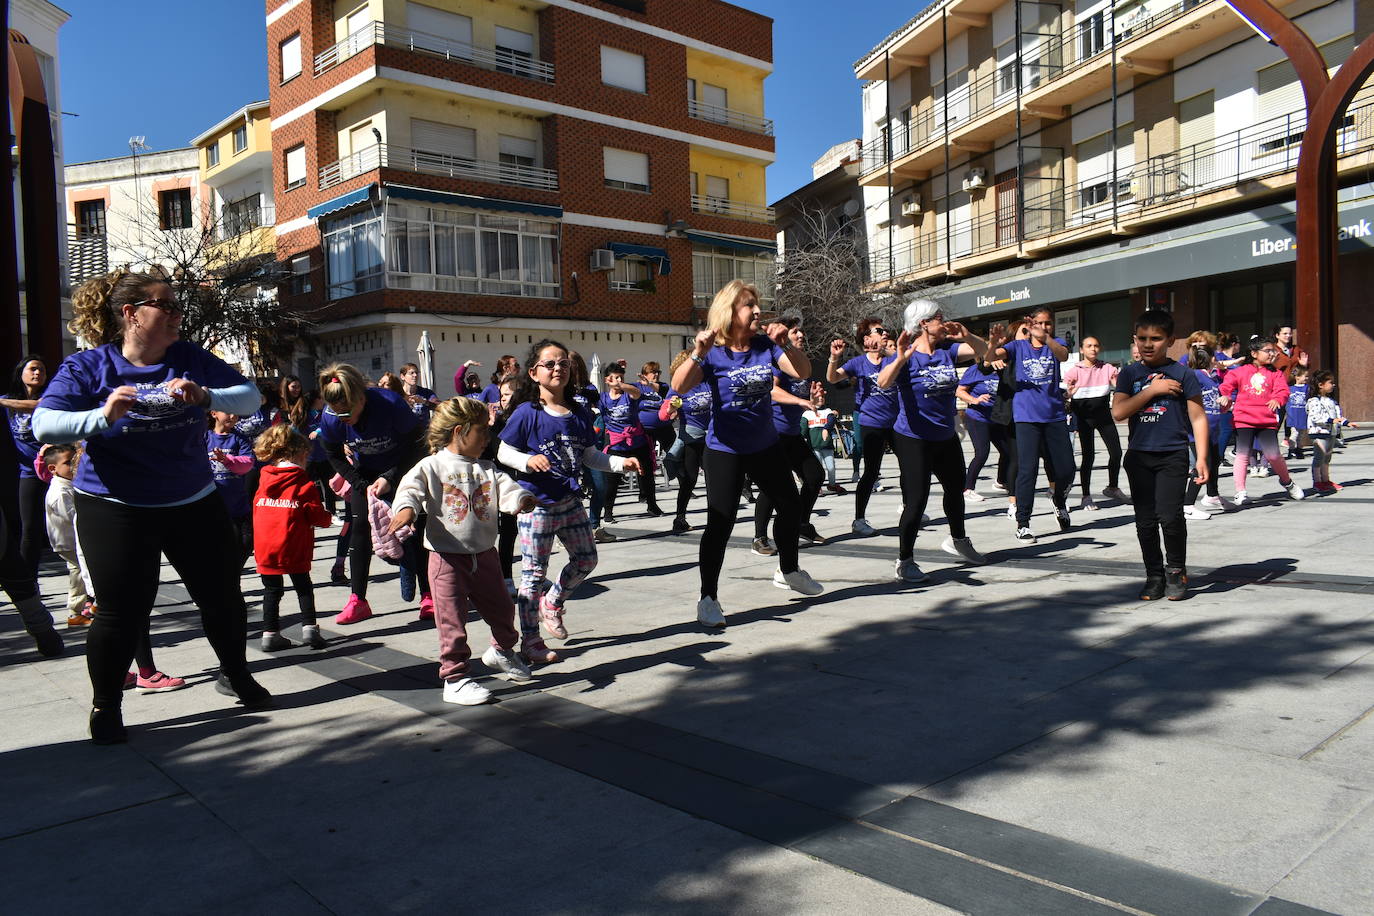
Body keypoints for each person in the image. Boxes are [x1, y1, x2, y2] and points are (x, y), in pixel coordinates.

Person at [34, 270, 270, 744]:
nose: (177, 314)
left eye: (178, 306)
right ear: (131, 314)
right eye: (167, 306)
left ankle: (236, 674)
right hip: (114, 503)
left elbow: (250, 396)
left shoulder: (188, 357)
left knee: (222, 596)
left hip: (191, 498)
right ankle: (107, 707)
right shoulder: (89, 367)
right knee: (120, 610)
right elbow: (45, 424)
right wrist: (100, 416)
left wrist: (206, 395)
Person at [670, 280, 823, 629]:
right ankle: (707, 597)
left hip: (765, 445)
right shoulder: (714, 352)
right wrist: (698, 353)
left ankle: (789, 570)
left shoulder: (765, 345)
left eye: (757, 305)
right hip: (724, 450)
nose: (757, 311)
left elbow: (801, 372)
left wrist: (785, 344)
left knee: (791, 504)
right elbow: (678, 387)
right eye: (748, 306)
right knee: (720, 524)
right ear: (729, 312)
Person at [497, 340, 640, 664]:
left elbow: (589, 455)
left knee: (586, 559)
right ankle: (530, 642)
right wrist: (528, 460)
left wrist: (620, 463)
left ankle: (554, 601)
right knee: (533, 576)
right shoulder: (527, 412)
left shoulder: (577, 412)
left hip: (570, 501)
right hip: (537, 505)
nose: (558, 368)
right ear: (534, 373)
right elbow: (504, 451)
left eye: (563, 363)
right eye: (550, 364)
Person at [391, 397, 535, 704]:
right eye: (481, 431)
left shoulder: (486, 468)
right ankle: (454, 679)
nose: (486, 438)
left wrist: (521, 500)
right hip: (446, 559)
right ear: (459, 431)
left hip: (485, 556)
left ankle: (501, 651)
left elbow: (507, 487)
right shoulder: (432, 466)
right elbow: (410, 489)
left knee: (504, 613)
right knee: (452, 622)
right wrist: (406, 509)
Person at [877, 298, 991, 579]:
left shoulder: (947, 351)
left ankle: (958, 540)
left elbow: (985, 350)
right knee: (916, 501)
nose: (944, 323)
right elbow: (882, 383)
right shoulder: (905, 354)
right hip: (913, 438)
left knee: (956, 491)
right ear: (923, 323)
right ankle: (905, 561)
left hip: (944, 435)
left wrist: (967, 335)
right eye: (939, 318)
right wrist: (901, 359)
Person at [317, 363, 429, 623]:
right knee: (358, 527)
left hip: (403, 465)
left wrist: (390, 477)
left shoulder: (389, 403)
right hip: (365, 471)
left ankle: (428, 596)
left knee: (416, 527)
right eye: (338, 415)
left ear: (361, 398)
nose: (344, 419)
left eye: (348, 414)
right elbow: (333, 454)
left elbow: (419, 445)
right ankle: (358, 600)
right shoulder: (331, 417)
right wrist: (359, 483)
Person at [1112, 310, 1209, 601]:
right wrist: (1152, 391)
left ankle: (1175, 571)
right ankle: (1153, 575)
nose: (1148, 344)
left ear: (1170, 340)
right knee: (1145, 521)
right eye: (1142, 338)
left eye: (1155, 338)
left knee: (1170, 517)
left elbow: (1198, 418)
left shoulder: (1183, 374)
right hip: (1139, 457)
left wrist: (1202, 457)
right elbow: (1118, 412)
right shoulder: (1130, 374)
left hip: (1172, 456)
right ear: (1135, 340)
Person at [988, 307, 1073, 542]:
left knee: (1067, 469)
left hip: (1054, 416)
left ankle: (1058, 499)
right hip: (1026, 417)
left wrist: (1046, 338)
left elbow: (1064, 356)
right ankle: (1023, 523)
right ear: (1030, 324)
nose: (1044, 327)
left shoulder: (1054, 344)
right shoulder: (1018, 346)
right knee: (1028, 470)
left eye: (1048, 323)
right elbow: (993, 356)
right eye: (1039, 323)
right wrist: (993, 344)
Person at [252, 424, 335, 652]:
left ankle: (270, 633)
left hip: (265, 544)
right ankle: (309, 630)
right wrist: (328, 518)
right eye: (306, 455)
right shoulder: (302, 482)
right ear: (298, 453)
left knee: (271, 590)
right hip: (293, 543)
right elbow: (316, 515)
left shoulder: (264, 479)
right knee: (303, 587)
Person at [753, 316, 826, 555]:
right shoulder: (777, 362)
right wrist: (799, 400)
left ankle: (801, 523)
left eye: (801, 332)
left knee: (815, 476)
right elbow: (771, 389)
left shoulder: (800, 365)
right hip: (773, 434)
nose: (801, 335)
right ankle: (760, 538)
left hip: (793, 434)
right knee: (772, 486)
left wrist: (813, 401)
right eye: (795, 332)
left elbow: (805, 399)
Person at [826, 318, 898, 536]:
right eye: (879, 330)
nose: (884, 332)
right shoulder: (858, 363)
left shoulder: (892, 359)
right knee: (872, 472)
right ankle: (859, 519)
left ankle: (908, 508)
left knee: (910, 465)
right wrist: (834, 358)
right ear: (867, 338)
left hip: (896, 422)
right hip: (871, 423)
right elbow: (832, 378)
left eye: (885, 329)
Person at [1218, 337, 1304, 505]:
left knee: (1273, 455)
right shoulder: (1240, 371)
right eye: (1268, 351)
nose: (1272, 354)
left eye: (1273, 351)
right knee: (1242, 455)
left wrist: (1278, 399)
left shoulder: (1276, 373)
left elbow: (1283, 391)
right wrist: (1226, 396)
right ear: (1254, 353)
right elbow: (1227, 385)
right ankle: (1240, 491)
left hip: (1266, 420)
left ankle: (1287, 482)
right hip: (1243, 418)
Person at [1063, 337, 1129, 510]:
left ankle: (1112, 487)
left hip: (1104, 417)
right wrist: (1067, 395)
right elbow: (1064, 394)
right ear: (1082, 349)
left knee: (1116, 453)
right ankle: (1086, 496)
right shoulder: (1074, 371)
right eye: (1089, 346)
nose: (1093, 349)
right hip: (1084, 419)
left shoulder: (1107, 368)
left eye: (1096, 346)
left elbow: (1120, 387)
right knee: (1088, 457)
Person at [2, 355, 49, 580]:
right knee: (30, 529)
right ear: (20, 374)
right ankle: (28, 580)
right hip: (28, 473)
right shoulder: (8, 401)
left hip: (56, 472)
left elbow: (37, 406)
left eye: (41, 370)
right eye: (32, 369)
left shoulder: (51, 398)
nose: (37, 373)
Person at [40, 444, 94, 626]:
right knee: (80, 571)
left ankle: (86, 606)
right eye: (67, 463)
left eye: (74, 460)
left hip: (72, 540)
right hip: (69, 542)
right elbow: (73, 517)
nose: (73, 466)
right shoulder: (60, 491)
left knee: (80, 570)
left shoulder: (67, 484)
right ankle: (75, 612)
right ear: (53, 469)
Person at [599, 363, 658, 525]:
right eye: (615, 378)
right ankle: (608, 511)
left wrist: (622, 385)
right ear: (607, 380)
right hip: (617, 444)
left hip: (637, 442)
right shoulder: (603, 398)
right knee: (612, 481)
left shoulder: (628, 393)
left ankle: (652, 505)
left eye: (621, 377)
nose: (618, 381)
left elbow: (637, 392)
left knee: (646, 476)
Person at [662, 349, 712, 535]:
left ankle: (716, 517)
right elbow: (664, 412)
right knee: (690, 479)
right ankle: (680, 518)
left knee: (713, 478)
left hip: (712, 436)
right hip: (692, 436)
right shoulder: (679, 386)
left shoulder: (707, 380)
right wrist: (671, 409)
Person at [207, 409, 256, 569]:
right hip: (214, 507)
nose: (233, 416)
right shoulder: (205, 438)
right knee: (224, 546)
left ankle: (231, 573)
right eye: (228, 412)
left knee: (247, 542)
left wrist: (227, 459)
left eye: (236, 413)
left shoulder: (239, 438)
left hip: (238, 505)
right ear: (214, 413)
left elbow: (247, 464)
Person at [1182, 343, 1226, 518]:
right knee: (1203, 465)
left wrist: (1224, 401)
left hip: (1213, 429)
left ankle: (1212, 495)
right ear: (1211, 359)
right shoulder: (1195, 375)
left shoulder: (1212, 378)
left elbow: (1214, 401)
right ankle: (1188, 504)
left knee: (1215, 461)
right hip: (1199, 431)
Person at [956, 355, 1006, 501]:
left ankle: (1001, 482)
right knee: (982, 453)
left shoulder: (1002, 370)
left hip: (997, 418)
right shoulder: (975, 370)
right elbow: (959, 391)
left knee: (1008, 451)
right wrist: (975, 400)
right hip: (977, 417)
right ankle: (968, 488)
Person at [1307, 370, 1357, 492]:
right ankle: (1317, 481)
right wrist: (1331, 420)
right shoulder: (1314, 401)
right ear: (1321, 385)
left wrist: (1346, 422)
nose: (1333, 385)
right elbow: (1315, 417)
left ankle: (1326, 480)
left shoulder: (1332, 401)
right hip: (1319, 433)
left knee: (1327, 457)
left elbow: (1338, 415)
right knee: (1319, 457)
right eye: (1330, 382)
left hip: (1331, 433)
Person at [636, 361, 676, 476]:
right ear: (644, 374)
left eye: (658, 372)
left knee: (675, 454)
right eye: (653, 372)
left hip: (664, 427)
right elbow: (623, 388)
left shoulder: (663, 386)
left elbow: (661, 390)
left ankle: (683, 485)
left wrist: (649, 384)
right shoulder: (638, 387)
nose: (656, 374)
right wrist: (621, 368)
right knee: (645, 458)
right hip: (645, 429)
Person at [802, 385, 843, 493]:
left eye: (822, 397)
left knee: (831, 467)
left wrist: (826, 427)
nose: (820, 399)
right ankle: (817, 487)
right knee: (817, 469)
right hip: (814, 447)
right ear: (812, 398)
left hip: (827, 446)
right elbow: (803, 430)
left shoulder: (827, 411)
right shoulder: (807, 413)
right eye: (818, 397)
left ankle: (832, 485)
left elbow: (831, 420)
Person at [1284, 365, 1309, 460]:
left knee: (1302, 434)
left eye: (1307, 376)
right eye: (1305, 376)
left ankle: (1299, 449)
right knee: (1294, 433)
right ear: (1297, 377)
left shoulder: (1307, 388)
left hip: (1303, 414)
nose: (1306, 378)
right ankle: (1291, 449)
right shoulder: (1290, 389)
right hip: (1293, 415)